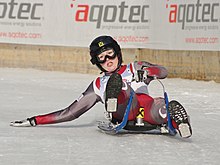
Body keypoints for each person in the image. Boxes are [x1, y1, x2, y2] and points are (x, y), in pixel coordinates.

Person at [10, 35, 192, 138]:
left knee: (159, 107)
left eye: (110, 54)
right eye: (101, 58)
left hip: (146, 110)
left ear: (118, 53)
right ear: (97, 62)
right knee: (125, 90)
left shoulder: (136, 67)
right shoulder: (98, 84)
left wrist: (150, 71)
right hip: (124, 110)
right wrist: (36, 120)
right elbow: (70, 112)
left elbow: (164, 71)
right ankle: (115, 93)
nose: (107, 61)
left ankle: (177, 121)